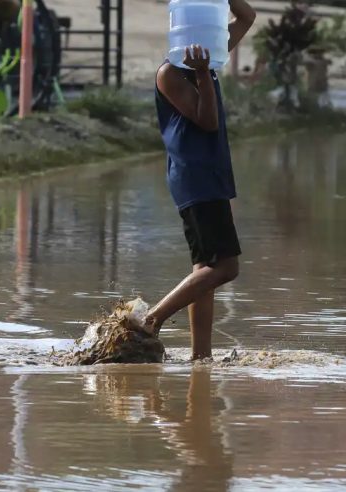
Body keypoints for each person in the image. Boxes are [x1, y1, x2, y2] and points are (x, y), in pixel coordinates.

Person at [144, 0, 256, 360]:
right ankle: (152, 319)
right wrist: (204, 73)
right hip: (195, 177)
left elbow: (247, 17)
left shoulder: (212, 56)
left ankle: (200, 356)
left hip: (209, 173)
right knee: (225, 267)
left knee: (204, 269)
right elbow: (206, 121)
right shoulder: (171, 74)